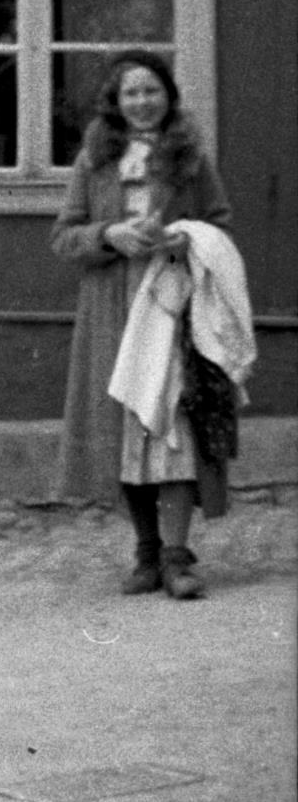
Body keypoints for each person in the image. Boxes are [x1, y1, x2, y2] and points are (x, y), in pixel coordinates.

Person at [52, 51, 232, 597]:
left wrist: (185, 239)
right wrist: (109, 235)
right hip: (112, 308)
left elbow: (219, 224)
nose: (142, 102)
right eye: (131, 92)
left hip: (173, 306)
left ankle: (177, 558)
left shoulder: (191, 157)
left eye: (151, 90)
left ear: (168, 97)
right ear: (115, 101)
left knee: (172, 427)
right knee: (126, 427)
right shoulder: (94, 159)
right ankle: (147, 552)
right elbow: (64, 236)